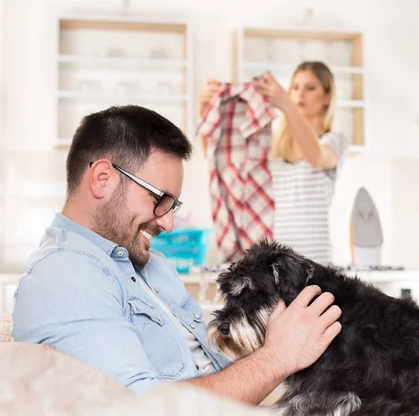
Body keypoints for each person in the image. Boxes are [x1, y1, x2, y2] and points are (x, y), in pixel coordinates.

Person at [12, 105, 342, 405]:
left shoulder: (153, 266)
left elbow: (212, 369)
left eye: (173, 205)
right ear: (102, 179)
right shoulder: (64, 273)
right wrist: (278, 356)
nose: (169, 223)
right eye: (160, 199)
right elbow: (139, 409)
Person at [197, 61, 348, 265]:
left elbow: (317, 157)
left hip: (315, 263)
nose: (300, 94)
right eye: (295, 87)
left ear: (327, 97)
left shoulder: (334, 141)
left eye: (310, 88)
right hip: (274, 265)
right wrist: (204, 108)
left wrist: (287, 105)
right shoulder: (273, 145)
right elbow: (219, 159)